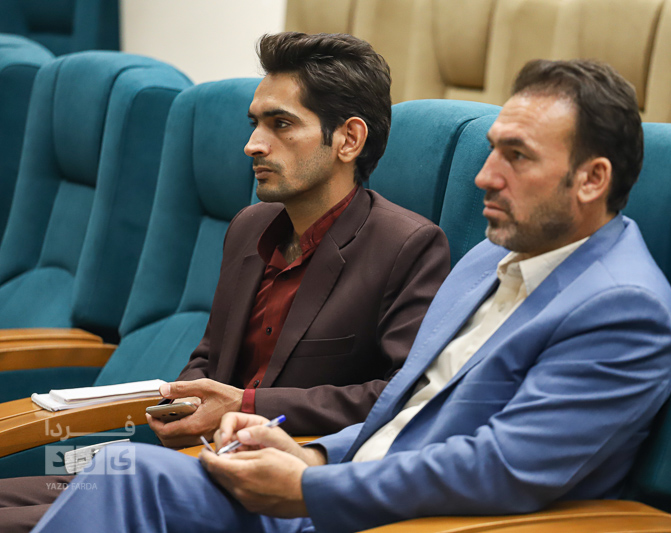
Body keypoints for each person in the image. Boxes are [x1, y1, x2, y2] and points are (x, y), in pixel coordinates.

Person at [30, 58, 671, 533]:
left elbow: (501, 466)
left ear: (592, 178)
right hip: (339, 483)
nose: (486, 176)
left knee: (119, 482)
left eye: (518, 156)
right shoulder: (492, 257)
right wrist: (307, 450)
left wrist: (312, 484)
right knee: (118, 472)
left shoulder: (623, 309)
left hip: (403, 518)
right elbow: (404, 412)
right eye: (491, 151)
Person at [0, 32, 450, 533]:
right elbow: (211, 354)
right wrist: (188, 403)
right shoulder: (249, 227)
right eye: (255, 123)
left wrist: (248, 406)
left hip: (274, 488)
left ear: (349, 139)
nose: (253, 144)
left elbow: (401, 399)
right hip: (191, 463)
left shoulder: (407, 245)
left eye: (281, 124)